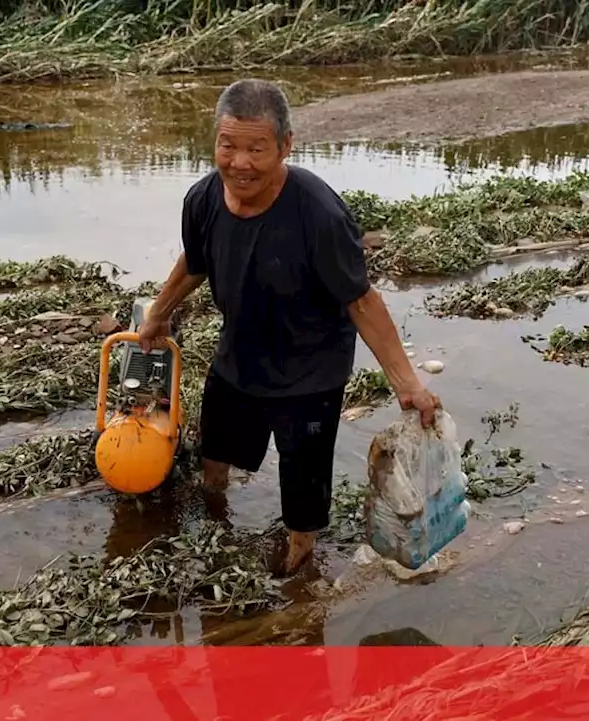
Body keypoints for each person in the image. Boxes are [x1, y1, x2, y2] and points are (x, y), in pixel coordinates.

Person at [137, 78, 441, 577]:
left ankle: (299, 569)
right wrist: (158, 312)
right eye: (228, 146)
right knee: (214, 456)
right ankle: (217, 529)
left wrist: (408, 384)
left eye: (257, 149)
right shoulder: (203, 199)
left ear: (285, 146)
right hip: (238, 355)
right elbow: (196, 261)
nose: (240, 163)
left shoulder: (318, 213)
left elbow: (362, 300)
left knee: (303, 493)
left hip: (310, 373)